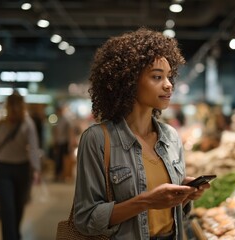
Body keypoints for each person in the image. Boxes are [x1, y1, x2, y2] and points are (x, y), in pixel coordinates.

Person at [73, 27, 210, 240]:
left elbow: (173, 215)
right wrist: (145, 202)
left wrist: (185, 195)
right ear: (128, 81)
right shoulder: (98, 139)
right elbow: (86, 218)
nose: (168, 85)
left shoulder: (171, 137)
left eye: (169, 77)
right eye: (157, 77)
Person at [0, 91, 41, 240]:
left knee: (18, 208)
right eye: (12, 104)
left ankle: (15, 235)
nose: (15, 107)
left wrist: (36, 170)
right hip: (3, 170)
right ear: (8, 106)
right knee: (7, 210)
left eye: (17, 104)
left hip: (22, 169)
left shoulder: (27, 124)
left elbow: (34, 148)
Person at [52, 104, 73, 181]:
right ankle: (59, 175)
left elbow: (69, 132)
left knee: (63, 160)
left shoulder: (65, 120)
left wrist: (70, 143)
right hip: (60, 142)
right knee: (59, 159)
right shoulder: (59, 120)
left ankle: (63, 175)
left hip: (64, 142)